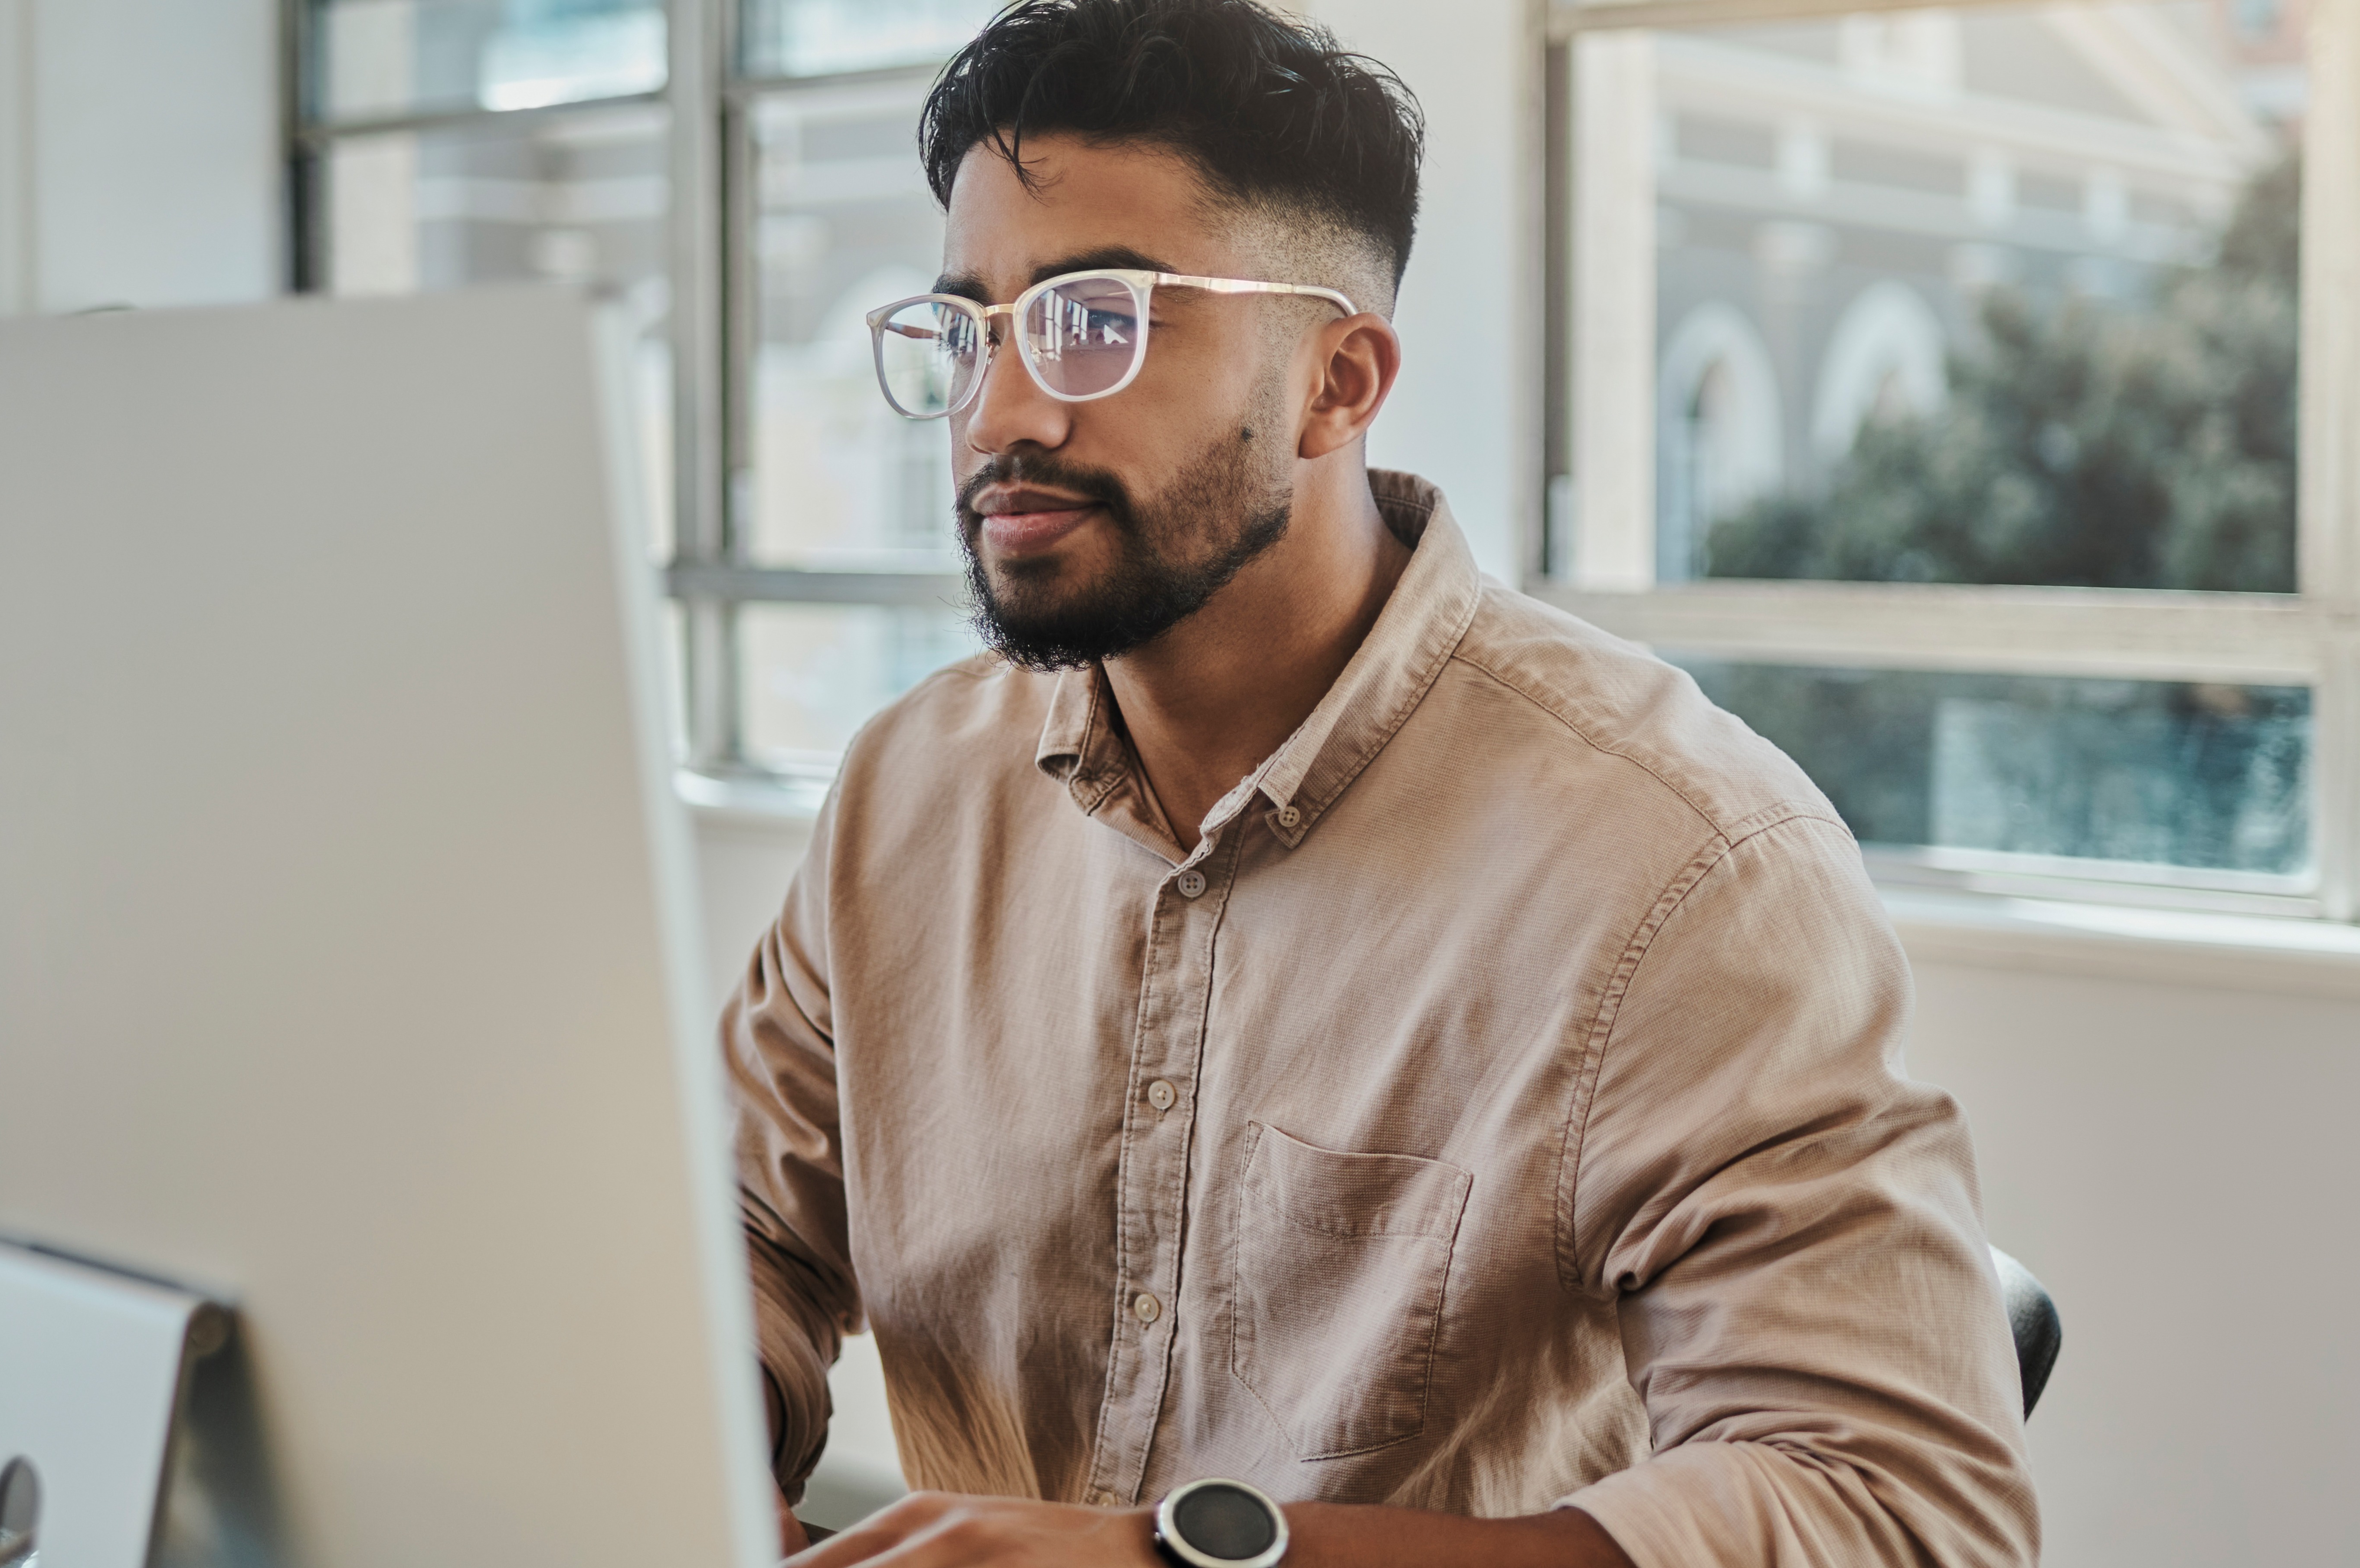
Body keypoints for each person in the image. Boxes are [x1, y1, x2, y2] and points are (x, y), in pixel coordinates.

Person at [723, 2, 2040, 1562]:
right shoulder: (905, 800)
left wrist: (1175, 1561)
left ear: (1338, 384)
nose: (1001, 414)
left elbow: (1900, 1512)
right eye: (971, 331)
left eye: (1097, 322)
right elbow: (738, 1237)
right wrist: (689, 1448)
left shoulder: (1684, 865)